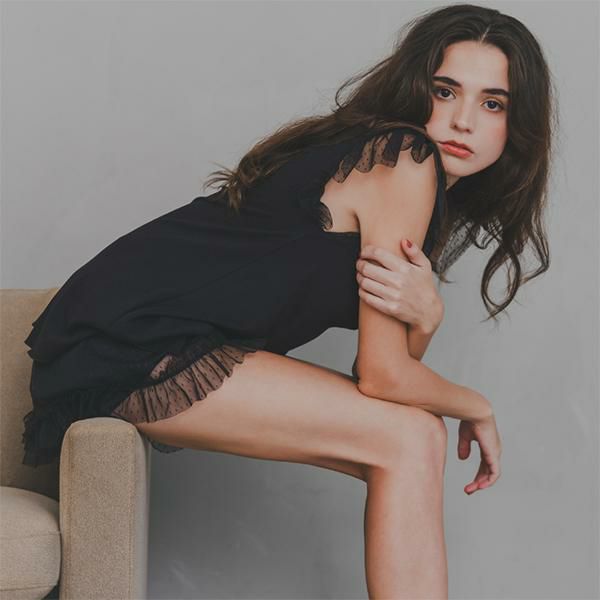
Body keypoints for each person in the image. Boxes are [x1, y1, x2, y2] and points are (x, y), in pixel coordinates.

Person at [22, 3, 555, 597]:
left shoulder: (406, 172)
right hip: (128, 337)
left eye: (492, 103)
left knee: (413, 437)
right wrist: (477, 406)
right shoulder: (405, 157)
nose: (462, 121)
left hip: (137, 333)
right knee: (412, 436)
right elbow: (383, 377)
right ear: (415, 88)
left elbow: (387, 376)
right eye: (445, 91)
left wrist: (426, 317)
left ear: (517, 124)